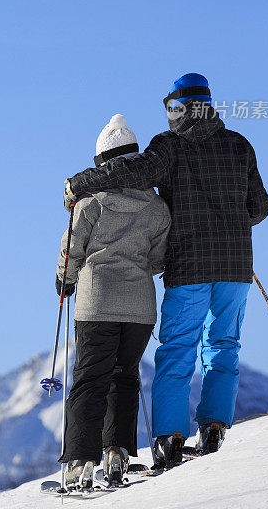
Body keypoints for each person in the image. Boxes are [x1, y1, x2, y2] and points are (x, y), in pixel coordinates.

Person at [64, 74, 268, 468]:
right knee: (224, 345)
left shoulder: (169, 147)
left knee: (178, 349)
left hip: (189, 264)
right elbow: (259, 206)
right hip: (235, 264)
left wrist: (78, 184)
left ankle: (170, 439)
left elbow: (127, 173)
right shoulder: (239, 146)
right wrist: (228, 219)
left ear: (177, 107)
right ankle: (213, 426)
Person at [56, 114, 171, 490]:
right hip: (139, 308)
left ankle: (79, 462)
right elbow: (157, 260)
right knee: (125, 378)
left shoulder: (91, 205)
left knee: (89, 381)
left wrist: (64, 282)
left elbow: (71, 250)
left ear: (101, 162)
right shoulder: (157, 209)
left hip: (95, 303)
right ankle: (117, 453)